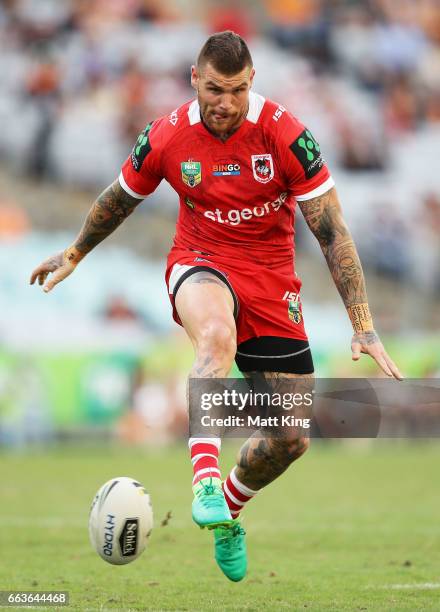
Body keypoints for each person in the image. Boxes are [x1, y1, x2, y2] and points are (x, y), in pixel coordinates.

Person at [30, 31, 403, 582]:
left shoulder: (287, 135)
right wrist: (77, 252)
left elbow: (332, 231)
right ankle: (204, 475)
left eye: (234, 90)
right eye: (212, 89)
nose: (223, 102)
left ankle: (227, 509)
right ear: (193, 79)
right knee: (215, 334)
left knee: (291, 437)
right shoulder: (167, 136)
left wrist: (363, 323)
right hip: (200, 260)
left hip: (273, 279)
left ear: (251, 82)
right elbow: (119, 198)